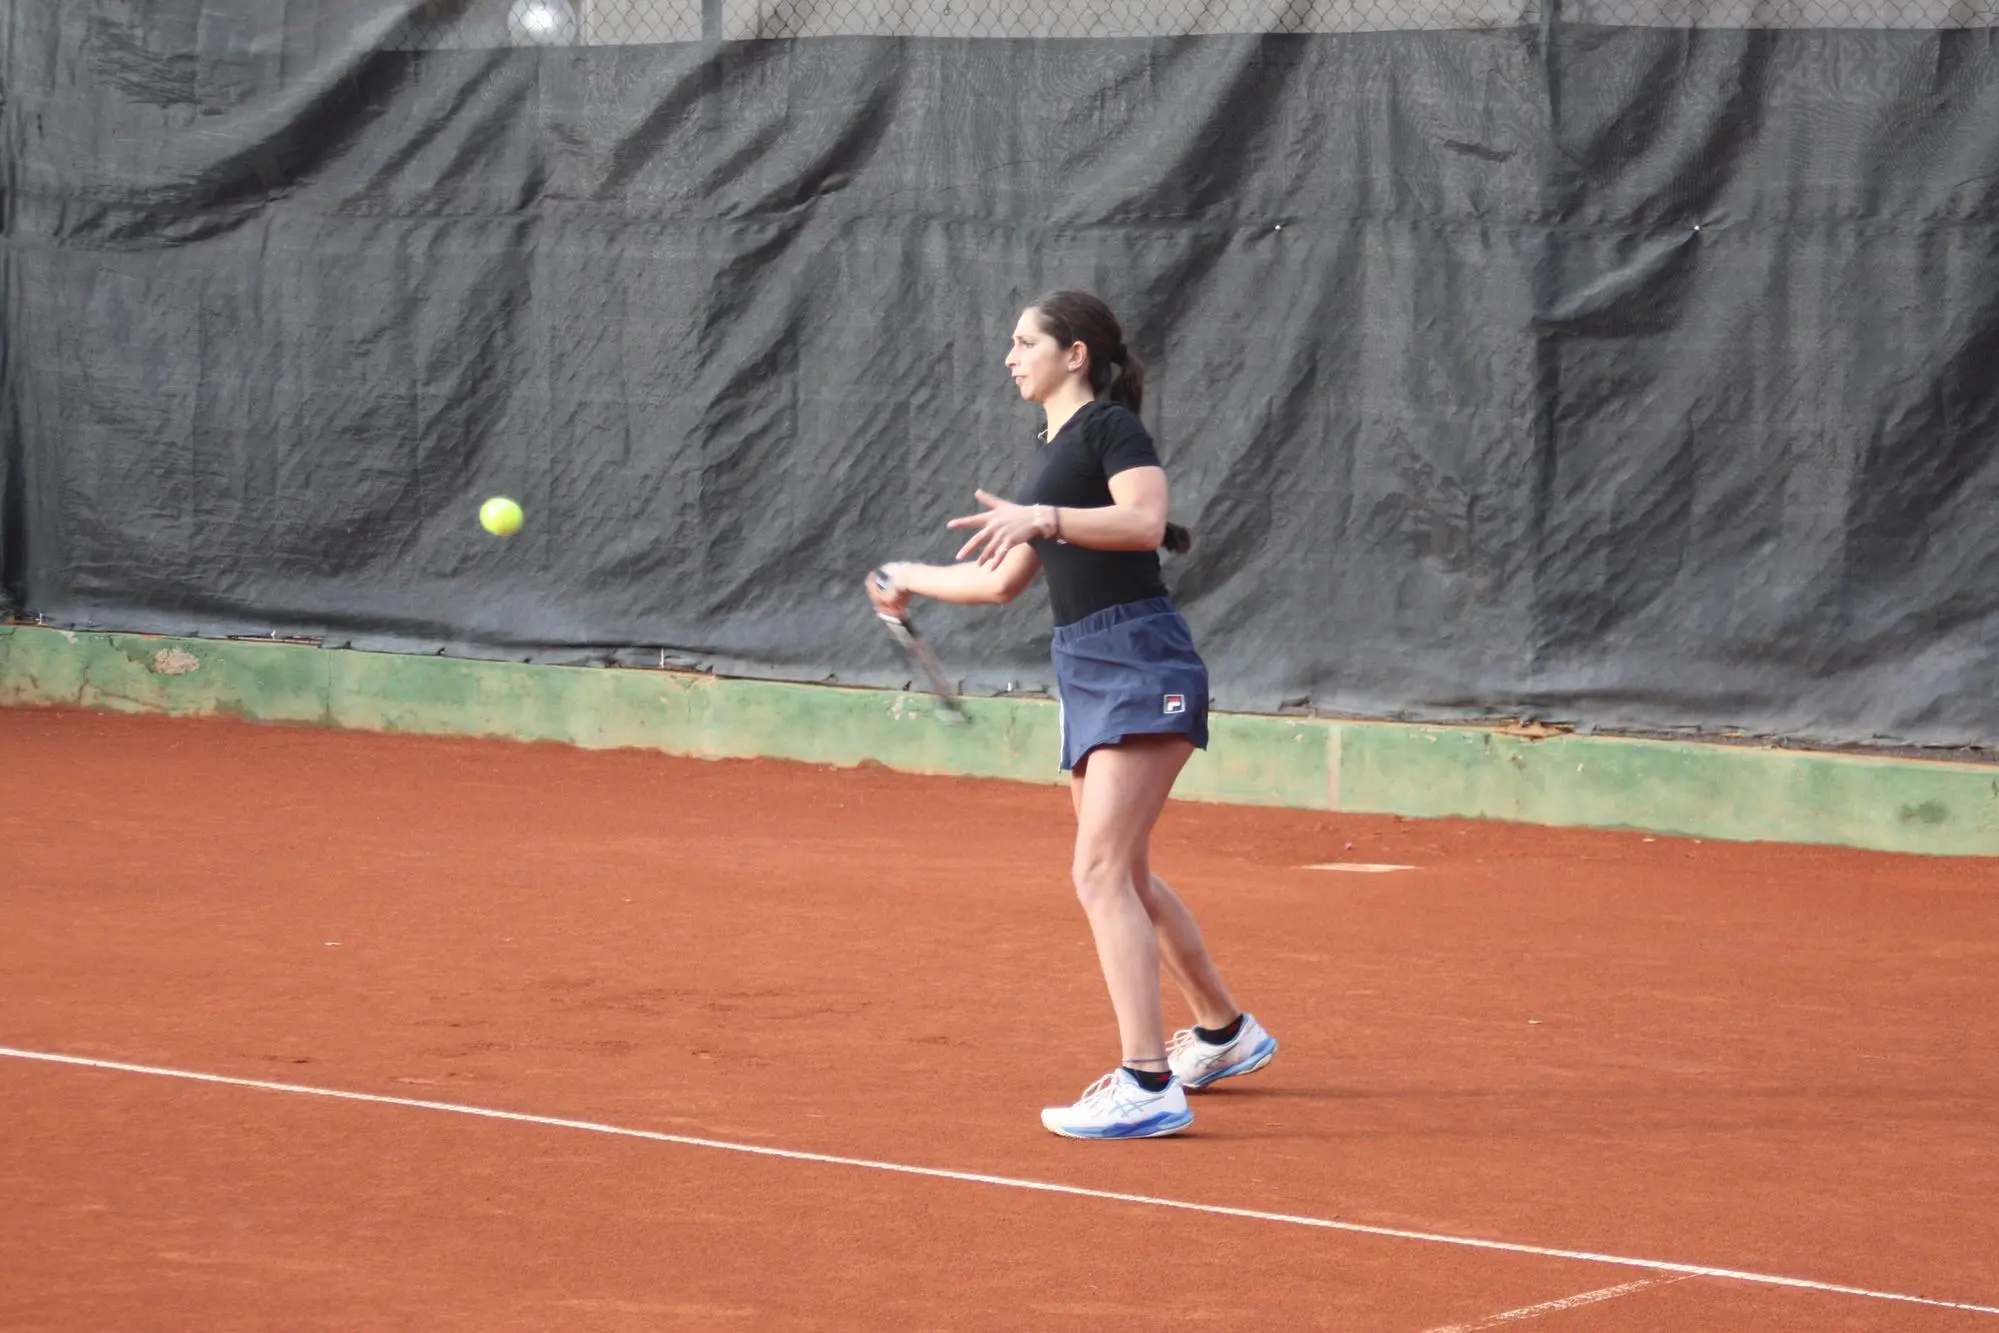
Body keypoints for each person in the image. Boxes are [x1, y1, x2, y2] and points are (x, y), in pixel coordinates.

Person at [866, 289, 1277, 1140]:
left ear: (1074, 354)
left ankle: (1146, 1082)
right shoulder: (1050, 454)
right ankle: (1223, 1032)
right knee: (1124, 875)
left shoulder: (1107, 430)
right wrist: (908, 576)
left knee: (1096, 873)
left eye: (1025, 342)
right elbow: (999, 581)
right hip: (1086, 666)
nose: (1010, 357)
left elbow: (1144, 521)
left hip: (1140, 660)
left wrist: (1044, 516)